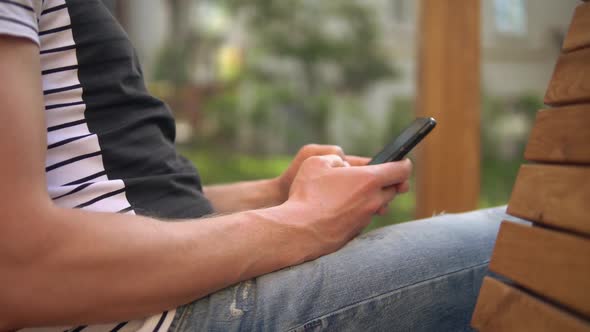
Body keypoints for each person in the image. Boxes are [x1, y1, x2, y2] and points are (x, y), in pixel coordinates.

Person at [0, 1, 514, 331]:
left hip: (169, 291)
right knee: (533, 238)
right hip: (152, 315)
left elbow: (117, 200)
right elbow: (15, 266)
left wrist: (274, 194)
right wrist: (301, 223)